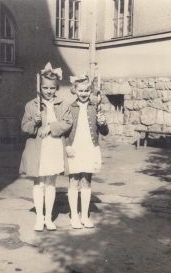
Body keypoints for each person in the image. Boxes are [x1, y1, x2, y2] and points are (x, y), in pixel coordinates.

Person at [19, 63, 72, 232]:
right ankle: (39, 218)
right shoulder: (31, 105)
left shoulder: (63, 104)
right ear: (40, 87)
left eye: (52, 88)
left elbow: (68, 123)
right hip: (37, 148)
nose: (49, 91)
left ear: (56, 87)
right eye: (45, 87)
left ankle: (49, 218)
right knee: (38, 183)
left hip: (54, 146)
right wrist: (35, 121)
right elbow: (24, 127)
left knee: (50, 182)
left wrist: (50, 126)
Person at [65, 74, 109, 229]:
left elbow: (104, 132)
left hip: (90, 148)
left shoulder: (94, 108)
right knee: (74, 181)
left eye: (86, 91)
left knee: (86, 181)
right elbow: (64, 130)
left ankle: (84, 216)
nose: (83, 94)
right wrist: (67, 145)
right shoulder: (69, 108)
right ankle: (74, 216)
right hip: (75, 148)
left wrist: (103, 123)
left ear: (91, 92)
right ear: (75, 91)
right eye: (80, 91)